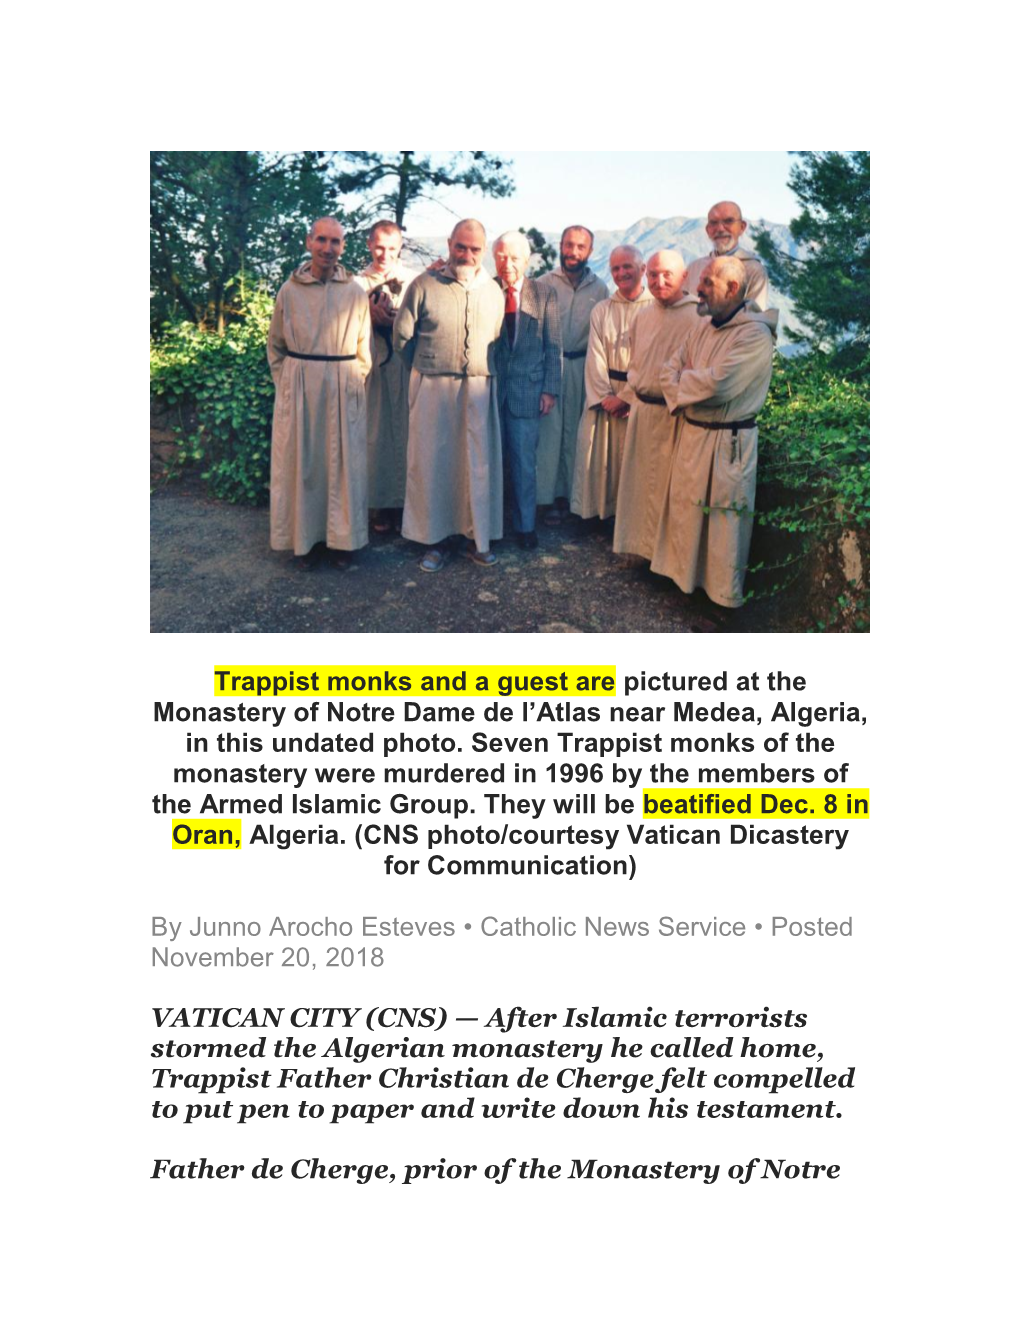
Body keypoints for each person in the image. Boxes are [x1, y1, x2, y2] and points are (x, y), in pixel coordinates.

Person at [651, 256, 778, 608]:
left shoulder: (754, 334)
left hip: (729, 441)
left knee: (725, 524)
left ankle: (722, 604)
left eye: (707, 282)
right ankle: (687, 585)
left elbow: (720, 385)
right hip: (694, 435)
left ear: (732, 288)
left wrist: (686, 380)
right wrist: (689, 379)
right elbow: (668, 371)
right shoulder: (702, 327)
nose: (698, 289)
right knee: (688, 513)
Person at [393, 219, 505, 572]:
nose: (467, 255)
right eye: (460, 246)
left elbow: (498, 342)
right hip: (432, 385)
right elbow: (402, 338)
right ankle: (434, 541)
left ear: (483, 251)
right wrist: (429, 366)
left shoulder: (493, 291)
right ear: (449, 244)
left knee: (477, 465)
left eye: (474, 249)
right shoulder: (424, 284)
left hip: (478, 388)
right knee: (432, 465)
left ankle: (476, 538)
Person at [267, 217, 371, 570]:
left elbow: (363, 351)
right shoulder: (289, 290)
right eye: (322, 240)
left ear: (343, 246)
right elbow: (276, 346)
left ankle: (342, 543)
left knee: (343, 466)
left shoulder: (355, 292)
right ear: (309, 242)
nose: (329, 248)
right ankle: (305, 541)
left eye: (336, 242)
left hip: (342, 386)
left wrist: (351, 383)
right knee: (304, 465)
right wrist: (290, 385)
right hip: (300, 388)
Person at [612, 251, 700, 562]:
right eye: (652, 275)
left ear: (684, 276)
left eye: (667, 274)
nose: (658, 281)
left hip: (673, 415)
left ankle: (665, 559)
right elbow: (635, 363)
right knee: (639, 488)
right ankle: (640, 551)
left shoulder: (698, 318)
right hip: (642, 411)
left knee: (667, 492)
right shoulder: (643, 316)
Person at [571, 245, 652, 522]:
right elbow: (594, 356)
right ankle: (600, 514)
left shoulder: (655, 309)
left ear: (642, 269)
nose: (621, 273)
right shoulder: (602, 310)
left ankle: (629, 520)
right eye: (616, 268)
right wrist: (606, 397)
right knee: (599, 458)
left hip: (638, 398)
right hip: (606, 397)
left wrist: (628, 397)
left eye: (627, 266)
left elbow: (653, 361)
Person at [492, 231, 562, 550]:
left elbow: (553, 344)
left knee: (523, 462)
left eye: (515, 257)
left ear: (527, 259)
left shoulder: (544, 294)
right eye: (501, 257)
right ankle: (491, 526)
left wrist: (550, 390)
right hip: (490, 391)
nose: (508, 264)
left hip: (528, 391)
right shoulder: (487, 290)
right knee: (489, 461)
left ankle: (525, 527)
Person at [536, 226, 608, 523]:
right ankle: (545, 498)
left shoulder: (600, 289)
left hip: (583, 366)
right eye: (568, 245)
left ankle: (572, 498)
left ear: (589, 251)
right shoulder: (542, 284)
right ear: (560, 246)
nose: (573, 252)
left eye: (580, 247)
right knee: (549, 433)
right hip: (549, 364)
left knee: (577, 432)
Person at [354, 221, 415, 534]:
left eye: (392, 248)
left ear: (400, 248)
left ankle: (406, 504)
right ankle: (378, 505)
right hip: (372, 366)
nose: (385, 254)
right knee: (375, 434)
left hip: (405, 367)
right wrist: (368, 314)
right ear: (369, 245)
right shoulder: (355, 285)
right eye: (379, 247)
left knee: (406, 433)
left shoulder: (413, 281)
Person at [682, 200, 769, 308]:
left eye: (728, 221)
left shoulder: (753, 271)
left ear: (742, 227)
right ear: (708, 230)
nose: (720, 229)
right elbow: (682, 312)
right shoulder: (694, 268)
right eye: (714, 223)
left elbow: (754, 319)